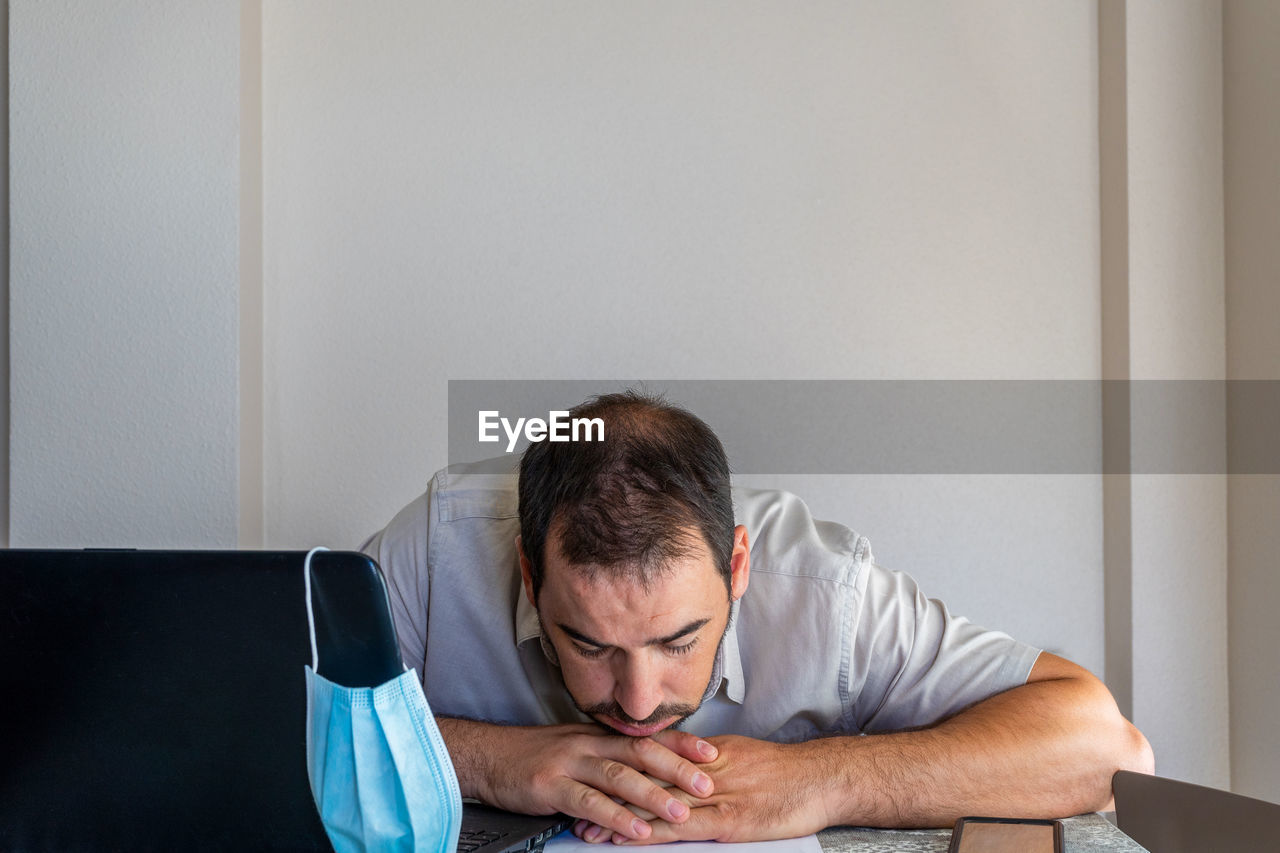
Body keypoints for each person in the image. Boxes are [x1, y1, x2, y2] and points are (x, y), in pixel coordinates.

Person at [361, 391, 1153, 845]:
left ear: (737, 567)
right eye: (589, 643)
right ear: (533, 578)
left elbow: (1105, 748)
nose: (637, 703)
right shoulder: (437, 550)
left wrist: (826, 778)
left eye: (679, 640)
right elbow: (256, 725)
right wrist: (483, 759)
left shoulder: (821, 588)